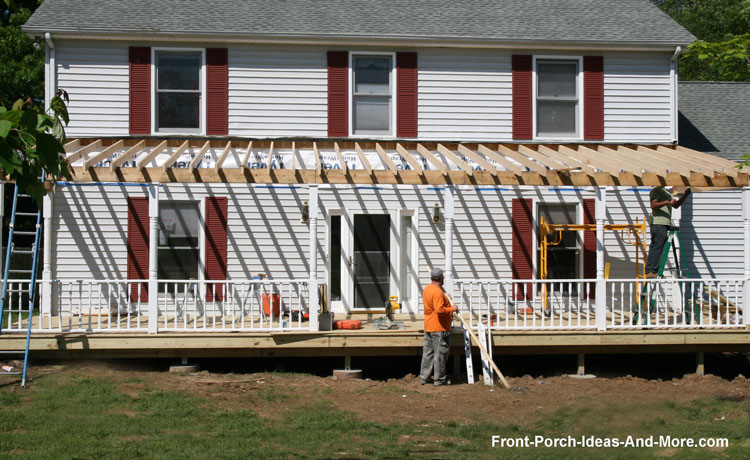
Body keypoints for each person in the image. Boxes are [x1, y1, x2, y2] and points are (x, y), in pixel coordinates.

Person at [419, 267, 457, 386]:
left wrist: (446, 298)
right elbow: (439, 310)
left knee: (428, 353)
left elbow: (435, 303)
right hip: (439, 327)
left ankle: (424, 378)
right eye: (443, 277)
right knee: (440, 354)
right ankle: (439, 380)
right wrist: (452, 308)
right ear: (441, 278)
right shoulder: (437, 292)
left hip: (429, 325)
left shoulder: (428, 289)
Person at [645, 186, 690, 277]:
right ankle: (652, 270)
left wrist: (685, 195)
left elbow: (676, 205)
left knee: (657, 246)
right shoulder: (657, 190)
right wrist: (668, 202)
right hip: (658, 222)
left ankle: (652, 270)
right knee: (657, 246)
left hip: (663, 223)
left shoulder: (666, 192)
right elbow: (653, 205)